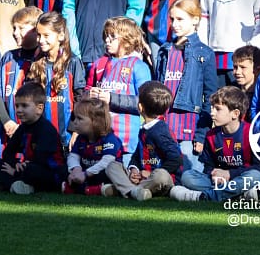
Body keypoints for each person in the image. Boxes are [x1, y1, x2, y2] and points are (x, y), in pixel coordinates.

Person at [153, 0, 218, 171]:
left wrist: (201, 133)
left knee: (189, 175)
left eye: (180, 19)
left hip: (189, 126)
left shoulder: (205, 53)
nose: (175, 24)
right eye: (172, 19)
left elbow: (210, 97)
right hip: (165, 124)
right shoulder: (165, 50)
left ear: (195, 20)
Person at [170, 86, 260, 202]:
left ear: (235, 114)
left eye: (218, 109)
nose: (212, 113)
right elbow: (208, 167)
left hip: (241, 177)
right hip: (220, 181)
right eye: (212, 108)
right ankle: (236, 194)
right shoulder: (211, 135)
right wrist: (214, 174)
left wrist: (230, 173)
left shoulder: (252, 133)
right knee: (187, 177)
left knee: (255, 176)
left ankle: (207, 196)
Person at [87, 17, 152, 163]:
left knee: (123, 177)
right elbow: (90, 92)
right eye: (106, 36)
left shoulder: (139, 67)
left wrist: (112, 99)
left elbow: (146, 102)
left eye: (112, 37)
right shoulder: (101, 64)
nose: (107, 41)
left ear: (127, 40)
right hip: (103, 138)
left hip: (127, 142)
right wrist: (91, 95)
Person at [0, 82, 67, 194]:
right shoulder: (23, 128)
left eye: (24, 106)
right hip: (26, 167)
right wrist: (15, 164)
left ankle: (8, 184)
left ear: (39, 108)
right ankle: (16, 185)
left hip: (49, 171)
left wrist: (16, 171)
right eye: (17, 106)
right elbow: (8, 152)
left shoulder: (46, 130)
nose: (19, 110)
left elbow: (41, 159)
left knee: (32, 171)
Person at [27, 11, 86, 147]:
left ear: (60, 36)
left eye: (46, 35)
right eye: (38, 35)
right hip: (40, 137)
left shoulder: (73, 62)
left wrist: (76, 131)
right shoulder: (36, 64)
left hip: (67, 136)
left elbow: (80, 99)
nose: (41, 40)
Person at [0, 6, 41, 164]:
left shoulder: (43, 60)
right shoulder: (8, 57)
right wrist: (6, 120)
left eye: (21, 28)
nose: (15, 32)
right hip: (9, 127)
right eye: (14, 28)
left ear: (36, 30)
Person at [122, 81, 184, 201]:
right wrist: (134, 170)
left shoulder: (160, 130)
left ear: (140, 107)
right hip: (144, 177)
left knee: (160, 176)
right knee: (113, 166)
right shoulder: (144, 128)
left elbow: (176, 159)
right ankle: (139, 191)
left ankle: (127, 190)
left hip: (161, 180)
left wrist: (151, 174)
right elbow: (137, 155)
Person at [62, 98, 124, 196]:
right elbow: (73, 155)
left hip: (99, 173)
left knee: (107, 173)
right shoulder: (81, 138)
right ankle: (95, 190)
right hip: (84, 174)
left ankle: (84, 189)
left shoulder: (110, 139)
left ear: (95, 122)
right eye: (75, 118)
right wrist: (76, 169)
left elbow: (106, 162)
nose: (75, 122)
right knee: (62, 169)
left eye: (80, 118)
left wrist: (85, 174)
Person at [230, 44, 260, 120]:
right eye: (235, 67)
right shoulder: (231, 91)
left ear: (258, 69)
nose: (237, 72)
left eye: (243, 67)